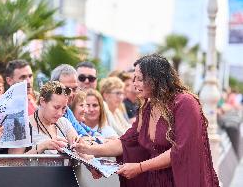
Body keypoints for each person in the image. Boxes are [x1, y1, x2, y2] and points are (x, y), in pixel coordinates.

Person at [75, 54, 219, 187]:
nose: (134, 84)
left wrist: (140, 167)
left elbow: (180, 151)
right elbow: (126, 142)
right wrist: (90, 149)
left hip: (182, 180)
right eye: (133, 78)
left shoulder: (185, 103)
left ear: (154, 79)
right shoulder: (148, 106)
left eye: (139, 78)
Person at [8, 81, 77, 154]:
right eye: (56, 107)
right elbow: (13, 162)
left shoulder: (64, 122)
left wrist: (79, 144)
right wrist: (43, 146)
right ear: (42, 101)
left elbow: (77, 144)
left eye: (63, 108)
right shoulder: (21, 126)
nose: (60, 113)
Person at [51, 64, 100, 137]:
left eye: (74, 89)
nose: (71, 94)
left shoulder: (67, 110)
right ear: (53, 87)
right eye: (66, 89)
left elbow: (81, 130)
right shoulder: (48, 112)